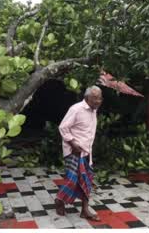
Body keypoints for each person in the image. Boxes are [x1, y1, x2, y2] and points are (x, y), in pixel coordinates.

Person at [54, 85, 103, 220]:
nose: (98, 101)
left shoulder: (93, 110)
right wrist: (72, 143)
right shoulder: (76, 109)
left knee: (87, 181)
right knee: (72, 180)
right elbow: (63, 127)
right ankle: (59, 200)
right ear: (87, 97)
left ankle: (85, 210)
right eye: (95, 98)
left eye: (100, 98)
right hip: (73, 151)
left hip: (87, 152)